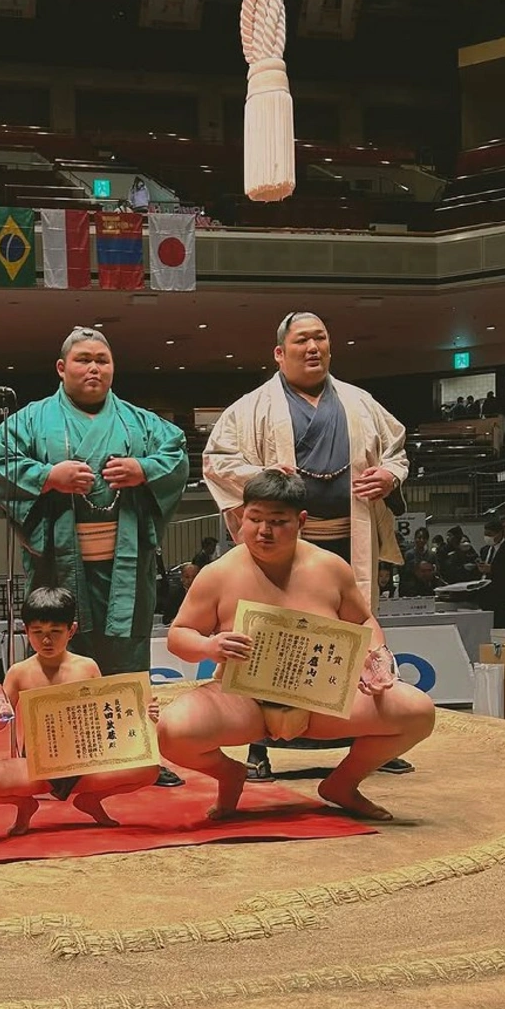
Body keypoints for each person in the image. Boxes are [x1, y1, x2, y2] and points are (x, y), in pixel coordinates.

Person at [202, 310, 409, 780]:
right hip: (278, 549)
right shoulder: (250, 407)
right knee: (272, 642)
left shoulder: (360, 402)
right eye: (301, 340)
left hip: (348, 540)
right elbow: (216, 461)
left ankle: (371, 734)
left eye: (320, 338)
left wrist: (389, 476)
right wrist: (260, 476)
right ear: (280, 353)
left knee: (352, 637)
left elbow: (397, 450)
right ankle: (258, 744)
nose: (312, 347)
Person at [158, 471, 435, 822]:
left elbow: (363, 621)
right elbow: (179, 635)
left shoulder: (329, 567)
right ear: (241, 516)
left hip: (320, 696)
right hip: (244, 700)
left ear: (301, 521)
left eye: (277, 522)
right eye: (254, 519)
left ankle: (342, 785)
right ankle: (230, 774)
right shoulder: (218, 573)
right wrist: (210, 646)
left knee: (418, 711)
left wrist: (377, 656)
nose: (264, 531)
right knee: (173, 730)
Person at [0, 327, 189, 787]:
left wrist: (143, 469)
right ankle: (54, 752)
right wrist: (48, 476)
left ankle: (135, 750)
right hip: (59, 561)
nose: (94, 368)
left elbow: (176, 454)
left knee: (127, 648)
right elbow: (1, 462)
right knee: (57, 649)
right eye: (84, 360)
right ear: (62, 368)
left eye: (102, 359)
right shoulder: (29, 421)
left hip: (125, 561)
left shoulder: (142, 422)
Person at [0, 587, 159, 835]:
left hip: (85, 763)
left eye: (55, 632)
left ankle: (91, 799)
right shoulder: (18, 672)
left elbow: (108, 719)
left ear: (71, 630)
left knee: (150, 770)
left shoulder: (87, 667)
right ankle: (25, 805)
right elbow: (1, 722)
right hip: (37, 767)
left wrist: (142, 715)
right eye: (38, 632)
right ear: (26, 631)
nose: (46, 640)